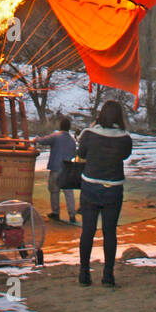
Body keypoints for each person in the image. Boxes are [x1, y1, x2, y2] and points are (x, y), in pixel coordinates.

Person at [76, 100, 133, 288]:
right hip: (113, 188)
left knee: (88, 230)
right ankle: (108, 275)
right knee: (110, 232)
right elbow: (125, 156)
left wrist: (92, 128)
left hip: (91, 186)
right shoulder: (125, 138)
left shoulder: (89, 134)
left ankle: (84, 274)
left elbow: (82, 153)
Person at [36, 117, 78, 224]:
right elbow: (74, 154)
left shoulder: (56, 136)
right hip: (67, 169)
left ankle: (56, 213)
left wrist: (36, 139)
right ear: (69, 127)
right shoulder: (72, 140)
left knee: (54, 191)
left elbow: (43, 141)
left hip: (55, 168)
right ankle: (72, 215)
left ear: (60, 126)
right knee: (68, 193)